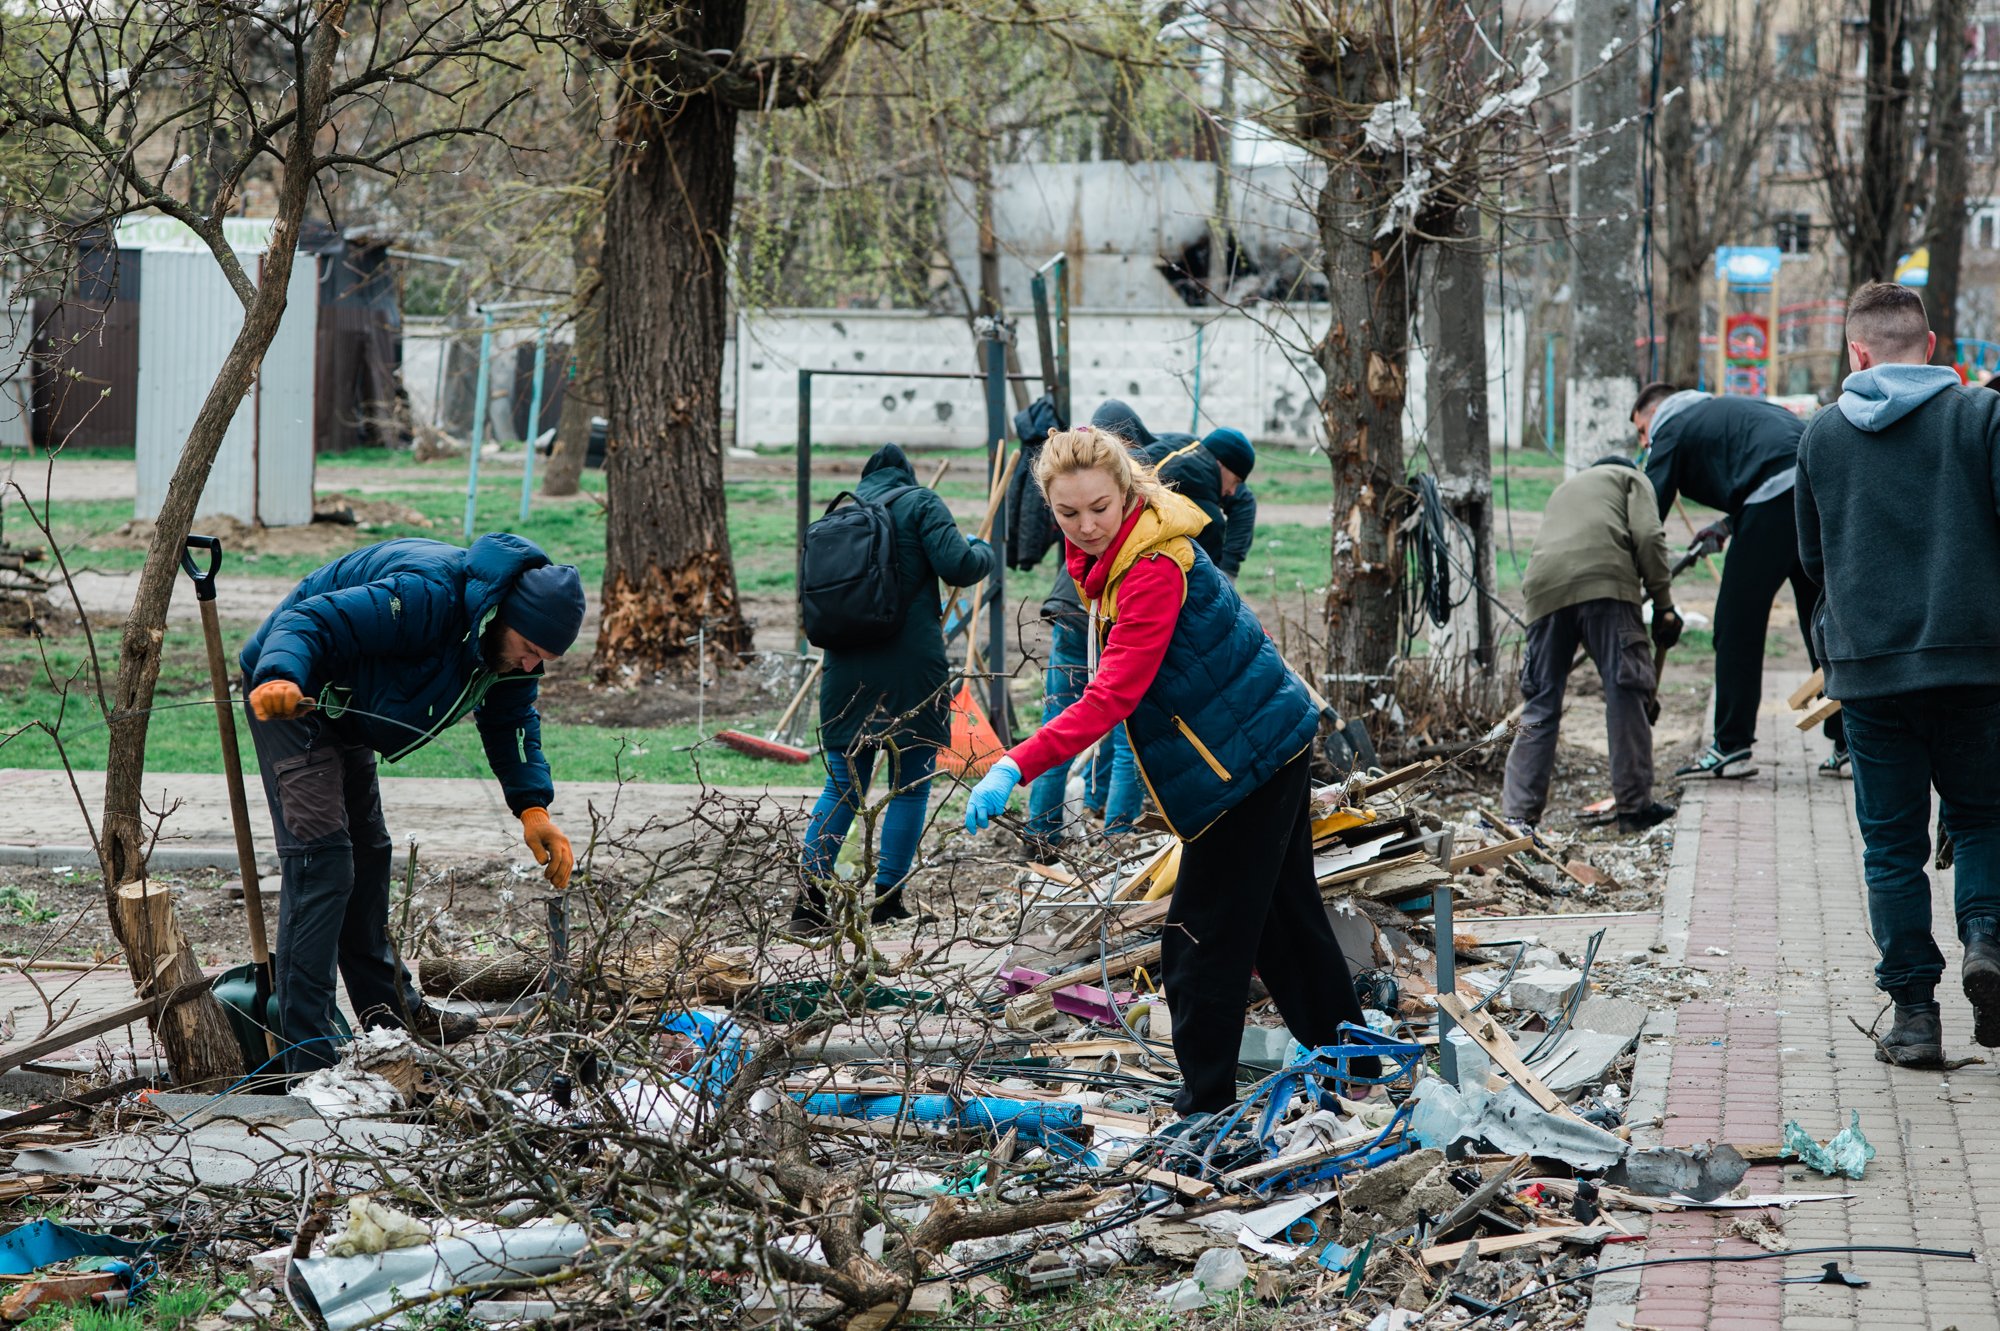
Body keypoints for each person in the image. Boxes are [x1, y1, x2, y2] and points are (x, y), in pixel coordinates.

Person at [963, 427, 1375, 1114]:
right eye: (1068, 513)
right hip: (1258, 744)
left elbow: (1112, 695)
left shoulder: (1151, 567)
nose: (1086, 525)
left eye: (1099, 507)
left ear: (1126, 492)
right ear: (1050, 508)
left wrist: (1016, 761)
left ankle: (1206, 1104)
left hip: (1245, 763)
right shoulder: (1120, 554)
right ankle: (1358, 1063)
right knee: (1285, 921)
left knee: (1197, 946)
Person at [241, 533, 584, 1073]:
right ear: (501, 616)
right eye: (531, 650)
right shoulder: (428, 596)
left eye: (544, 660)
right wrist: (280, 675)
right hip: (292, 695)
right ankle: (305, 1052)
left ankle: (390, 1018)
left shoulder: (505, 653)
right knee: (324, 860)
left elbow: (512, 721)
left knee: (370, 852)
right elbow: (309, 620)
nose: (529, 666)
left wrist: (532, 807)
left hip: (350, 708)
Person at [1795, 281, 2000, 1066]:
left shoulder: (1821, 436)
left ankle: (1914, 1015)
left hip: (1871, 674)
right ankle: (1987, 939)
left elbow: (1813, 562)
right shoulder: (1982, 416)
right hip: (1977, 665)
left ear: (1857, 352)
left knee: (1891, 849)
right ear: (1933, 345)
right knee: (1983, 818)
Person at [793, 444, 995, 930]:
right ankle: (888, 903)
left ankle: (808, 906)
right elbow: (959, 567)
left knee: (843, 787)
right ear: (905, 475)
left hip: (846, 670)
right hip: (911, 670)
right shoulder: (921, 502)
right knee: (908, 788)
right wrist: (981, 549)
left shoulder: (838, 520)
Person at [1631, 382, 1843, 778]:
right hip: (1812, 488)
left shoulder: (1671, 424)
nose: (1646, 442)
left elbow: (1647, 513)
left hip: (1774, 495)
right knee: (1820, 621)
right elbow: (1758, 461)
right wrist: (1727, 525)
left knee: (1735, 622)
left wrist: (1627, 574)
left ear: (1655, 412)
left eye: (1642, 430)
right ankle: (1848, 743)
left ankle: (1731, 745)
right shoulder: (1724, 411)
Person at [1502, 457, 1681, 833]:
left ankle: (1517, 816)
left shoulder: (1566, 488)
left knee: (1540, 701)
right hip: (1607, 586)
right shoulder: (1631, 477)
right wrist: (1664, 604)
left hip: (1543, 591)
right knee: (1625, 691)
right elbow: (1648, 536)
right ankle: (1634, 807)